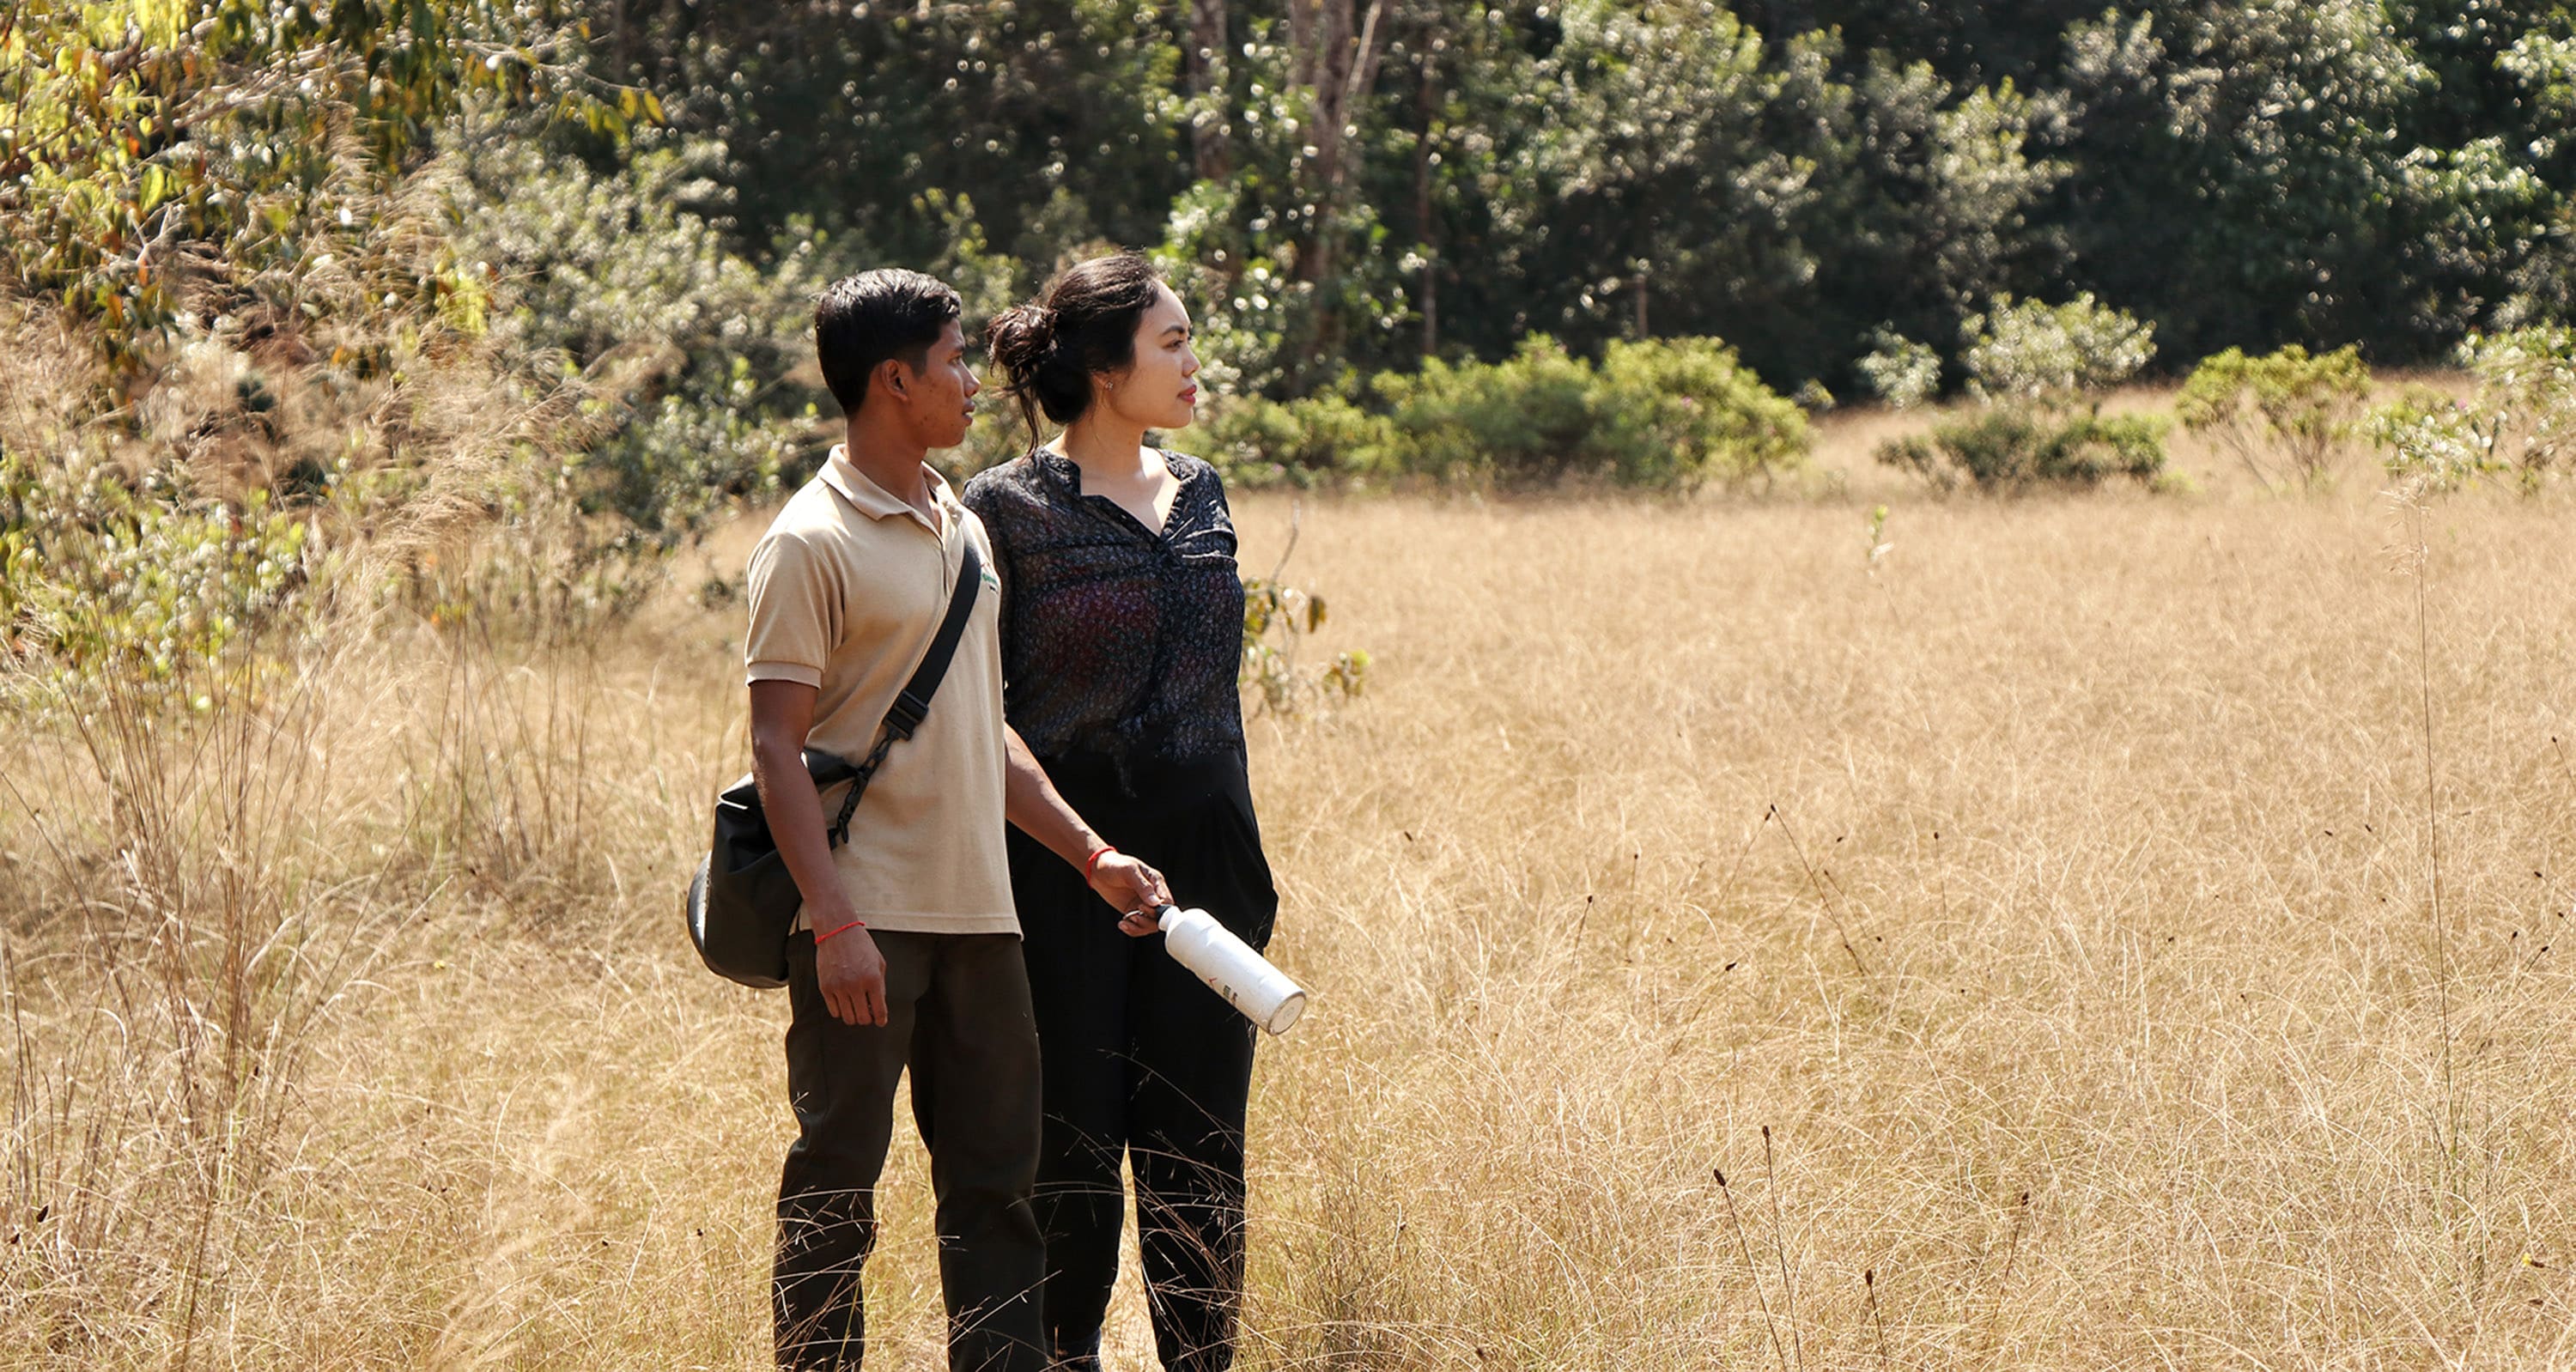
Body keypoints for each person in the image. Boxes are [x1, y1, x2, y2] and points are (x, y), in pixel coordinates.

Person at [746, 267, 1172, 1372]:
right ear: (894, 380)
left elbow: (985, 731)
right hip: (865, 921)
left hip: (984, 919)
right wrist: (836, 921)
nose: (974, 382)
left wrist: (1090, 854)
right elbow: (775, 746)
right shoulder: (808, 540)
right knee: (836, 1187)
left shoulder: (963, 527)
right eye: (951, 362)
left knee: (997, 1191)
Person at [963, 254, 1281, 1372]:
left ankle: (1202, 1360)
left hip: (1211, 862)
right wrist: (1089, 849)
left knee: (1203, 1144)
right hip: (1063, 862)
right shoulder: (1002, 508)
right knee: (1074, 1138)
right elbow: (979, 712)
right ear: (1105, 367)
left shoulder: (1203, 487)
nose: (1195, 363)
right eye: (1173, 342)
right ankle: (1070, 1351)